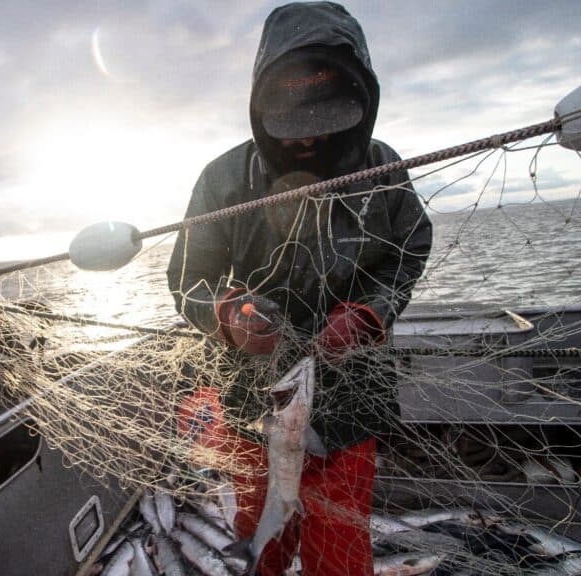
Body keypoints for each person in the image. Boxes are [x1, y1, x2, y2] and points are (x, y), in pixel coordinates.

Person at [167, 2, 432, 574]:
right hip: (253, 404)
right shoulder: (222, 180)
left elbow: (410, 250)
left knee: (338, 557)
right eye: (293, 120)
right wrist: (229, 316)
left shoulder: (383, 170)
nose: (308, 140)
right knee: (263, 540)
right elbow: (186, 279)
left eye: (326, 119)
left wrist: (366, 315)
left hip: (350, 405)